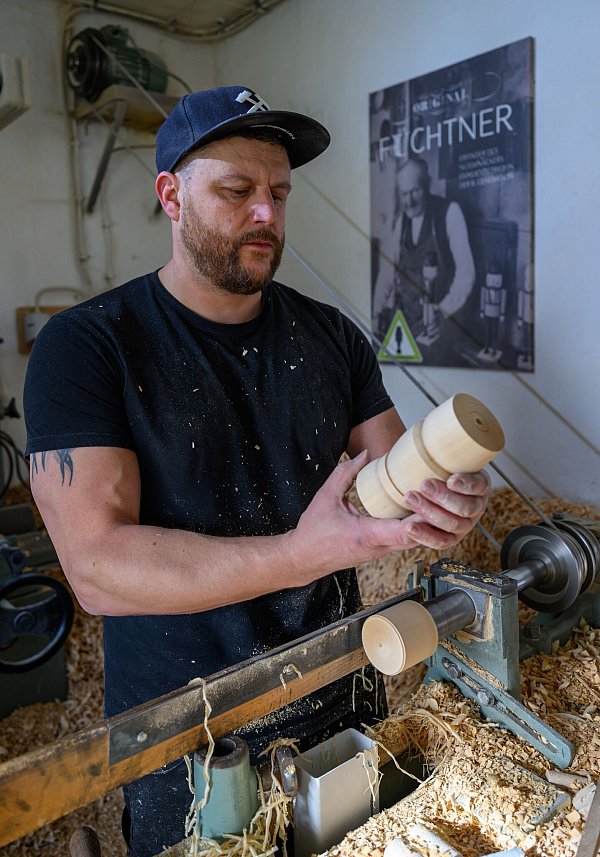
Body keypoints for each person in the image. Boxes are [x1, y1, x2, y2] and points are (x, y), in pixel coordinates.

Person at [24, 86, 490, 856]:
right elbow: (98, 569)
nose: (268, 215)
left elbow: (393, 474)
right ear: (171, 196)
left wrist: (442, 496)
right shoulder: (88, 347)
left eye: (278, 193)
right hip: (188, 729)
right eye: (237, 191)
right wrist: (301, 554)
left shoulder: (332, 336)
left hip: (339, 683)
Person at [372, 157, 475, 349]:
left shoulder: (450, 213)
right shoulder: (402, 220)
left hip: (441, 322)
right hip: (405, 320)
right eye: (404, 194)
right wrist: (376, 313)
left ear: (427, 185)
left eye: (415, 191)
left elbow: (466, 276)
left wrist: (442, 311)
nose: (409, 201)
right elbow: (387, 272)